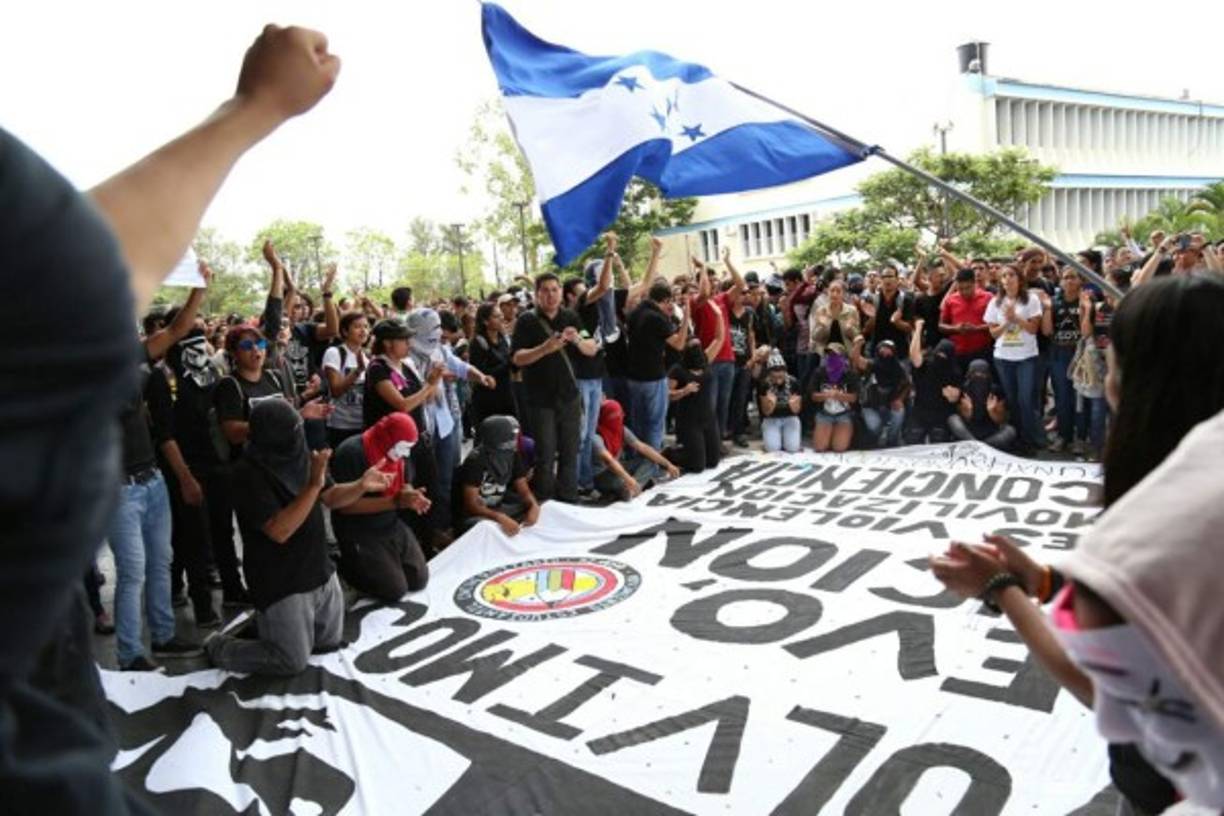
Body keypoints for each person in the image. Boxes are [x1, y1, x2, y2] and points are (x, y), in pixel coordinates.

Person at [0, 23, 339, 811]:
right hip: (166, 484)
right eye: (243, 340)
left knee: (155, 570)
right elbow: (63, 285)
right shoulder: (204, 384)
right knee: (145, 571)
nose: (252, 345)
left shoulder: (251, 365)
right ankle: (136, 653)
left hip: (149, 487)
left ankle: (158, 636)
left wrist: (253, 113)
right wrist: (253, 110)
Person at [930, 275, 1224, 815]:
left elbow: (1106, 685)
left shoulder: (1157, 524)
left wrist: (1001, 587)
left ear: (1132, 382)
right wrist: (1045, 581)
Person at [205, 401, 387, 676]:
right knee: (290, 660)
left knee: (327, 643)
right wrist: (313, 485)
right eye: (295, 430)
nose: (300, 434)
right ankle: (220, 647)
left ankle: (267, 625)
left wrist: (360, 485)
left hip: (319, 569)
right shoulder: (246, 473)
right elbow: (280, 530)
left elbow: (331, 496)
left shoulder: (299, 453)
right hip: (283, 581)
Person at [405, 308, 495, 532]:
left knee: (447, 477)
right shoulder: (405, 356)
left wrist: (481, 376)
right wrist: (431, 382)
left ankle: (444, 525)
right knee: (423, 482)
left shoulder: (440, 350)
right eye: (433, 327)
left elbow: (462, 368)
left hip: (444, 425)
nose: (439, 332)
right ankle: (427, 530)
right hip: (419, 429)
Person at [511, 273, 597, 503]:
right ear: (537, 294)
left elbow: (591, 348)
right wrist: (544, 349)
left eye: (554, 289)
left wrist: (577, 339)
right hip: (540, 399)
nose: (550, 295)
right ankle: (544, 501)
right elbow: (517, 358)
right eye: (545, 290)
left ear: (561, 292)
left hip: (569, 396)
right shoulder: (526, 320)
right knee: (546, 454)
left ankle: (569, 498)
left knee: (571, 450)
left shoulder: (571, 316)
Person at [330, 414, 430, 602]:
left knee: (418, 578)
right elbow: (345, 507)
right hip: (360, 528)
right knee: (394, 589)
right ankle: (346, 566)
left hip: (390, 522)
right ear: (389, 438)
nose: (406, 454)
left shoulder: (399, 456)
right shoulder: (351, 453)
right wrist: (396, 502)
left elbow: (405, 483)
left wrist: (411, 496)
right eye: (403, 447)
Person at [565, 233, 617, 495]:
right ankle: (576, 483)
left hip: (596, 377)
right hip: (582, 379)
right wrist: (609, 252)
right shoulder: (578, 310)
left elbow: (611, 287)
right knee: (581, 434)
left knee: (588, 434)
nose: (589, 293)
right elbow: (604, 285)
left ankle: (585, 481)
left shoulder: (596, 311)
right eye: (582, 291)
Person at [984, 265, 1046, 453]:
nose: (1008, 278)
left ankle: (1031, 439)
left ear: (1019, 278)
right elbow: (993, 333)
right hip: (1003, 357)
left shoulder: (1031, 299)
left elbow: (1033, 329)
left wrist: (1016, 318)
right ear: (1000, 281)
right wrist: (1007, 322)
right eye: (1004, 275)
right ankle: (1016, 438)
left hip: (1026, 357)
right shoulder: (995, 302)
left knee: (1026, 400)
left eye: (1011, 275)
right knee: (1012, 400)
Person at [626, 275, 689, 453]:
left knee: (638, 424)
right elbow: (679, 344)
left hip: (633, 376)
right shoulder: (656, 317)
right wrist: (686, 318)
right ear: (666, 300)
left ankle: (638, 458)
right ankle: (652, 463)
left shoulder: (635, 312)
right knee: (655, 425)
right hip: (653, 377)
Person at [691, 248, 747, 445]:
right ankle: (710, 441)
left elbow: (740, 284)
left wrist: (727, 261)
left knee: (724, 403)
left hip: (728, 359)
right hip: (710, 359)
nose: (713, 283)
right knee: (711, 404)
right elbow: (704, 292)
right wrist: (702, 268)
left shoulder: (722, 298)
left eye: (715, 280)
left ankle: (719, 439)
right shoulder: (695, 301)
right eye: (709, 279)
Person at [453, 415, 541, 536]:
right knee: (485, 528)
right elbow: (471, 505)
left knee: (534, 507)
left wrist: (533, 506)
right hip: (478, 515)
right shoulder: (476, 460)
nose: (514, 441)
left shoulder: (512, 455)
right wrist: (499, 518)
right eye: (510, 438)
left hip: (498, 508)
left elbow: (524, 489)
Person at [590, 399, 678, 501]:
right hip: (601, 474)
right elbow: (609, 461)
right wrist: (628, 478)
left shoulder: (621, 430)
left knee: (651, 462)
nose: (619, 418)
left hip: (618, 468)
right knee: (617, 481)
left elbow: (642, 447)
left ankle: (632, 489)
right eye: (615, 416)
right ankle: (631, 487)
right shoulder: (596, 436)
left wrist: (667, 464)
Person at [1047, 268, 1090, 453]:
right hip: (1059, 353)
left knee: (1080, 397)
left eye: (1073, 277)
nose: (1069, 281)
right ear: (1060, 281)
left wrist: (1086, 308)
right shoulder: (1054, 302)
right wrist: (1047, 308)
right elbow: (1047, 331)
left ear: (1081, 280)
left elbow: (1088, 331)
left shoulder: (1088, 300)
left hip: (1081, 354)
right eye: (1065, 278)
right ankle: (1063, 436)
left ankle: (1080, 437)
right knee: (1062, 397)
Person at [320, 310, 370, 449]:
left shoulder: (368, 357)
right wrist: (358, 371)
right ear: (345, 331)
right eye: (357, 326)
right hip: (340, 425)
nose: (363, 331)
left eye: (366, 326)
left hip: (363, 425)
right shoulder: (335, 353)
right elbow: (335, 390)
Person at [905, 323, 960, 445]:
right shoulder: (925, 365)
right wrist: (918, 329)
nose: (941, 357)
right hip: (920, 412)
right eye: (939, 354)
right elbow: (914, 355)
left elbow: (956, 396)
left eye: (944, 356)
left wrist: (953, 396)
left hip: (940, 414)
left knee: (939, 439)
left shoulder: (954, 373)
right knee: (913, 438)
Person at [853, 337, 910, 448]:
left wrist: (900, 399)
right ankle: (875, 440)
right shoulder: (871, 364)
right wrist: (858, 345)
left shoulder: (899, 368)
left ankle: (892, 441)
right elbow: (857, 360)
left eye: (889, 349)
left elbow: (907, 384)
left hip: (889, 405)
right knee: (875, 427)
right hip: (870, 406)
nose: (885, 352)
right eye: (883, 349)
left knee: (899, 411)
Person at [948, 359, 1016, 450]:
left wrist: (992, 411)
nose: (979, 378)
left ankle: (978, 446)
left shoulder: (996, 391)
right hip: (969, 431)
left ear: (988, 375)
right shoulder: (964, 390)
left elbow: (1001, 420)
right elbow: (962, 417)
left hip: (990, 431)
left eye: (983, 375)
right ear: (969, 375)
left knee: (1010, 431)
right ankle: (979, 446)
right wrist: (969, 411)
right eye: (975, 375)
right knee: (953, 419)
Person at [468, 301, 516, 426]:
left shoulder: (503, 339)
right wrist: (508, 363)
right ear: (485, 321)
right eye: (496, 316)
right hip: (488, 401)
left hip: (507, 396)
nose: (501, 318)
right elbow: (481, 374)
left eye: (501, 315)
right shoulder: (478, 343)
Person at [807, 342, 859, 452]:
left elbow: (854, 397)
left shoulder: (850, 374)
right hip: (824, 413)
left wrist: (838, 395)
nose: (831, 358)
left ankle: (838, 432)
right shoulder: (819, 372)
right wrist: (827, 395)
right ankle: (827, 432)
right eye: (829, 355)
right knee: (820, 447)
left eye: (835, 355)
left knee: (839, 447)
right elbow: (813, 395)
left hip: (844, 413)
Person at [939, 267, 994, 371]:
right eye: (960, 289)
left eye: (968, 288)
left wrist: (977, 328)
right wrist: (955, 329)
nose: (964, 292)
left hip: (982, 351)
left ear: (974, 283)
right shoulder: (950, 300)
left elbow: (996, 324)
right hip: (958, 353)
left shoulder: (988, 297)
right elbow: (941, 325)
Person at [860, 265, 914, 351]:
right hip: (876, 349)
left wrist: (897, 322)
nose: (887, 280)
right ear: (880, 280)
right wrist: (873, 318)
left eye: (890, 276)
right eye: (884, 277)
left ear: (897, 280)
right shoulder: (871, 300)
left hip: (900, 350)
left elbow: (910, 328)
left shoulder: (906, 300)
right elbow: (865, 330)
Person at [758, 350, 803, 453]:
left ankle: (785, 438)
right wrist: (771, 404)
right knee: (772, 449)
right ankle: (775, 438)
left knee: (792, 448)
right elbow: (765, 412)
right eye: (774, 377)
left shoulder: (794, 382)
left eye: (780, 377)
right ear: (769, 374)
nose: (778, 381)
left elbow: (797, 411)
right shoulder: (764, 384)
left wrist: (792, 405)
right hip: (771, 418)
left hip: (790, 417)